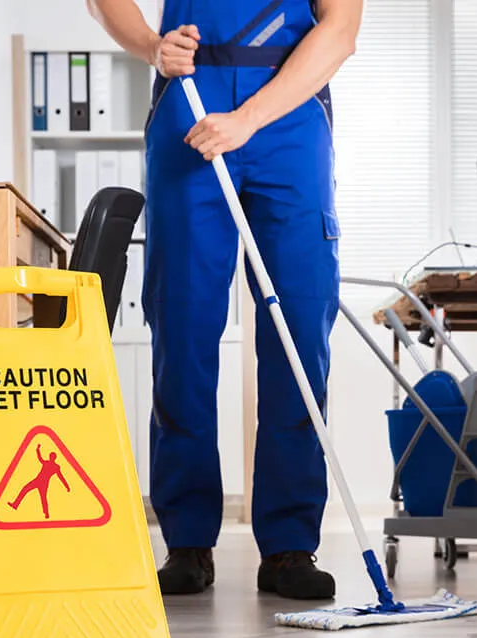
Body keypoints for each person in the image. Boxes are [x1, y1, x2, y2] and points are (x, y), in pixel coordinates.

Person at [87, 0, 363, 599]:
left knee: (298, 333)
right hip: (188, 101)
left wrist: (248, 118)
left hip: (287, 113)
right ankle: (187, 540)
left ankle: (290, 546)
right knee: (181, 330)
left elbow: (340, 32)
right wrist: (149, 46)